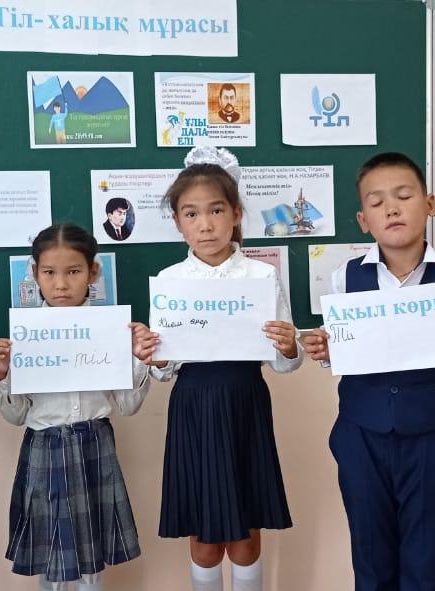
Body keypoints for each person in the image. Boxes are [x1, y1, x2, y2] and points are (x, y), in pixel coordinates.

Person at [301, 152, 435, 591]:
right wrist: (325, 348)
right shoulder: (344, 279)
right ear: (363, 220)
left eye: (404, 196)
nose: (391, 208)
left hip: (432, 440)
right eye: (377, 202)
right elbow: (343, 352)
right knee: (371, 562)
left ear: (429, 204)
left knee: (427, 565)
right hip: (361, 437)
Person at [133, 146, 299, 591]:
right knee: (204, 538)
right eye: (191, 214)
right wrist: (156, 357)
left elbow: (284, 361)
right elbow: (164, 368)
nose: (205, 224)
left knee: (245, 534)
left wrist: (289, 346)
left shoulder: (261, 277)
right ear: (177, 222)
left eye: (216, 210)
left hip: (245, 402)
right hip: (193, 406)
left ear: (236, 214)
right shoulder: (170, 282)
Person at [0, 223, 153, 591]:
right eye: (49, 272)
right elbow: (16, 415)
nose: (61, 284)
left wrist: (138, 359)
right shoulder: (24, 335)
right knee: (52, 560)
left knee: (92, 562)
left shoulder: (111, 330)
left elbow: (128, 406)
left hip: (95, 445)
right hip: (44, 449)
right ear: (35, 274)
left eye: (73, 271)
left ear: (93, 272)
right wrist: (2, 374)